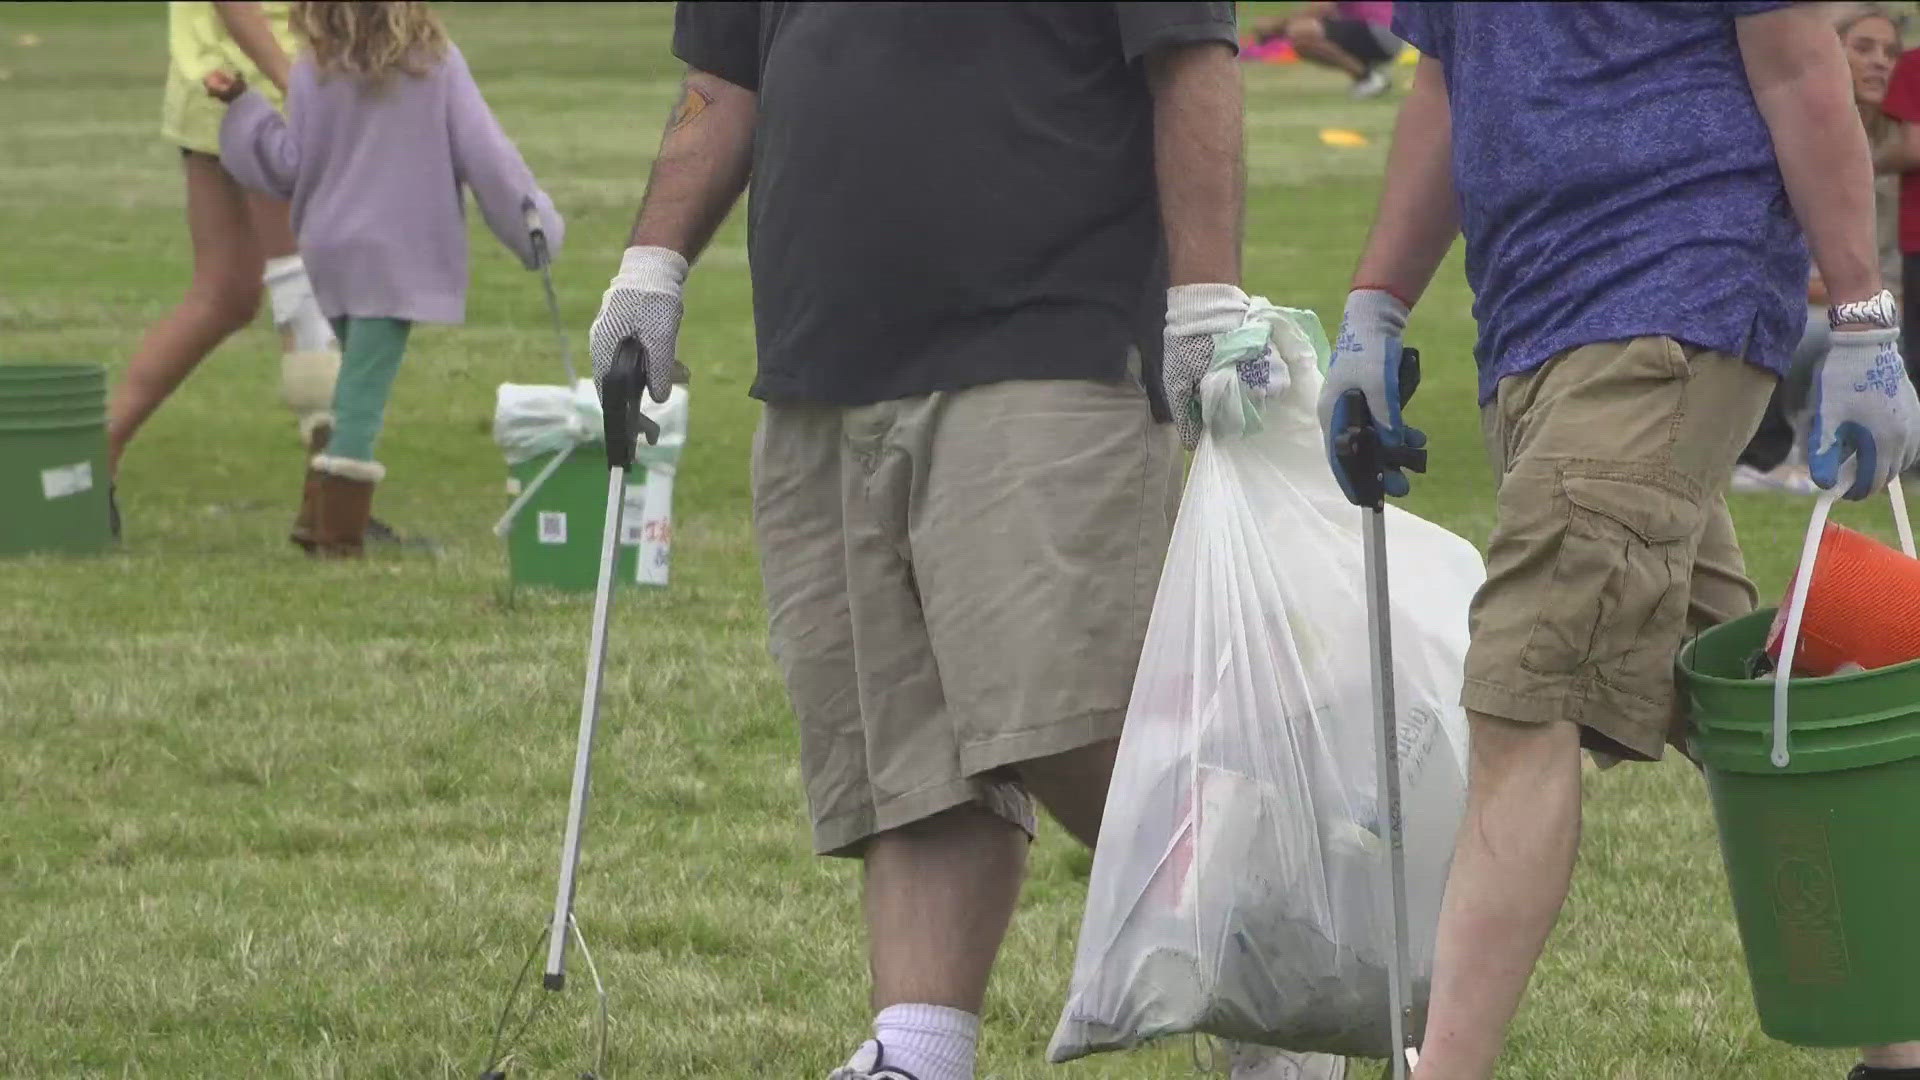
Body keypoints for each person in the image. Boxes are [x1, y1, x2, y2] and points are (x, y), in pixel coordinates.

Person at [585, 5, 1332, 1079]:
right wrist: (649, 265)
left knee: (1063, 709)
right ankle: (920, 1047)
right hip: (823, 357)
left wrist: (1205, 297)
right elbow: (723, 73)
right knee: (911, 754)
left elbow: (1190, 54)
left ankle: (1279, 990)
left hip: (1044, 338)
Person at [1317, 4, 1920, 1079]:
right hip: (1529, 330)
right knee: (1743, 690)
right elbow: (1447, 83)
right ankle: (1902, 1037)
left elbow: (1798, 69)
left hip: (1673, 298)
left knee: (1524, 689)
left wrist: (1866, 320)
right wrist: (1373, 306)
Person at [206, 0, 562, 557]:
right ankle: (338, 535)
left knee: (356, 380)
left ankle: (315, 515)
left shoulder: (312, 69)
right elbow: (488, 157)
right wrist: (534, 229)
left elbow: (284, 166)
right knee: (363, 396)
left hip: (330, 250)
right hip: (396, 255)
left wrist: (243, 107)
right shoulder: (436, 65)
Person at [114, 0, 343, 536]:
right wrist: (295, 86)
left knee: (226, 294)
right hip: (265, 87)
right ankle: (333, 510)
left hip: (214, 85)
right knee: (306, 296)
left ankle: (86, 464)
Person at [1736, 3, 1906, 495]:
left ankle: (1825, 461)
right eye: (1864, 47)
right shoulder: (1786, 139)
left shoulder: (1901, 150)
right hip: (1813, 298)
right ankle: (1781, 458)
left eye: (1890, 52)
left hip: (1878, 304)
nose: (1881, 62)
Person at [1247, 1, 1402, 99]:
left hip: (1378, 32)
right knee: (1305, 32)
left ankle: (1368, 78)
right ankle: (1372, 74)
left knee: (1302, 34)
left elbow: (1320, 8)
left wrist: (1275, 27)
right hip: (1390, 38)